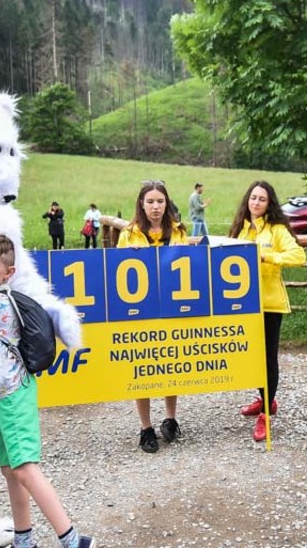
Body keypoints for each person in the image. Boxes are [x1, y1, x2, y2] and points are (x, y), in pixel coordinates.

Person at [0, 234, 96, 548]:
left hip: (13, 395)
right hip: (2, 395)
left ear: (7, 273)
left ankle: (74, 540)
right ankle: (24, 540)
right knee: (11, 470)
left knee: (25, 469)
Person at [229, 180, 306, 442]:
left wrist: (266, 256)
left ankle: (266, 414)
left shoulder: (277, 230)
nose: (256, 203)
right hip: (242, 304)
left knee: (268, 358)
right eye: (253, 198)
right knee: (252, 357)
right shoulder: (240, 228)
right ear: (247, 201)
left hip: (269, 304)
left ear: (269, 202)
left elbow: (298, 256)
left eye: (262, 199)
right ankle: (266, 399)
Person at [117, 181, 187, 453]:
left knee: (171, 363)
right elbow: (117, 269)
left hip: (171, 305)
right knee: (143, 367)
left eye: (160, 201)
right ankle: (145, 427)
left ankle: (170, 418)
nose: (156, 207)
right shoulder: (128, 234)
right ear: (142, 205)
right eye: (150, 202)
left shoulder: (179, 231)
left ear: (166, 203)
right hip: (142, 309)